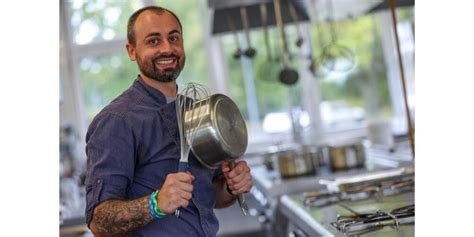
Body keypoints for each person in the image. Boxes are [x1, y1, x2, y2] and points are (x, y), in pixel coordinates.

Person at [84, 6, 253, 237]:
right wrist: (155, 203)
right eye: (153, 41)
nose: (167, 48)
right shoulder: (117, 121)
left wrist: (232, 186)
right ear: (132, 51)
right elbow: (99, 222)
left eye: (173, 38)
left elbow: (211, 197)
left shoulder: (194, 112)